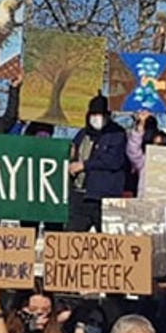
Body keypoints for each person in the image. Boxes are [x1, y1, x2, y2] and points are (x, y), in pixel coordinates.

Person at [67, 94, 130, 232]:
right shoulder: (82, 134)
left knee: (109, 242)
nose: (97, 118)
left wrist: (84, 165)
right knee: (71, 238)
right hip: (80, 196)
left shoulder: (117, 134)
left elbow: (114, 160)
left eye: (101, 114)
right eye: (94, 114)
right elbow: (73, 151)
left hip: (105, 197)